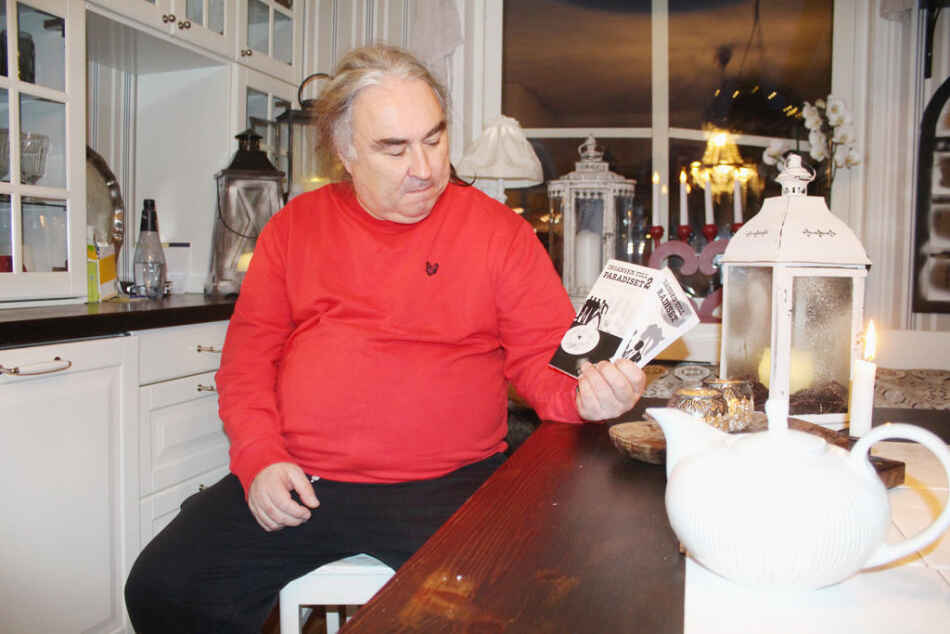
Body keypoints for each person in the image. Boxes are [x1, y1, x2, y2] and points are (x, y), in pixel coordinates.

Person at [124, 43, 645, 633]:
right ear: (345, 151)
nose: (424, 167)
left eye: (434, 139)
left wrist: (585, 395)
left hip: (452, 486)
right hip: (303, 479)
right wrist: (259, 458)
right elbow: (247, 366)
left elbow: (544, 358)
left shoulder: (500, 233)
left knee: (524, 611)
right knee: (163, 588)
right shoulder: (293, 228)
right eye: (394, 149)